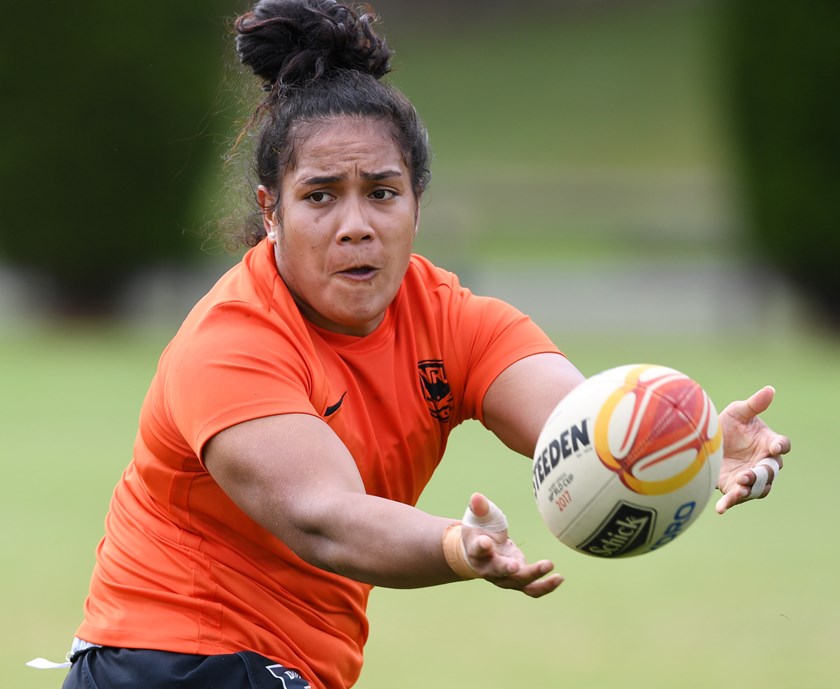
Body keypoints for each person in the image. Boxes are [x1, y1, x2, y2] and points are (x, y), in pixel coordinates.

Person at [55, 1, 791, 688]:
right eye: (320, 196)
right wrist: (453, 545)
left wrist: (692, 449)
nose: (356, 224)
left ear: (415, 203)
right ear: (269, 211)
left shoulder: (451, 319)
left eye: (381, 191)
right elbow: (323, 515)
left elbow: (584, 425)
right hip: (166, 659)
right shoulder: (231, 339)